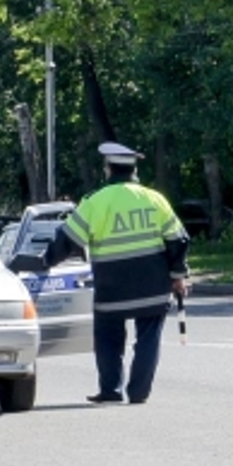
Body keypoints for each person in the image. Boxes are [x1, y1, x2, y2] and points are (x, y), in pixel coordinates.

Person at [38, 141, 190, 405]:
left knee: (108, 338)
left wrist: (44, 262)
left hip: (113, 288)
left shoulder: (95, 202)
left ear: (108, 169)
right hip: (153, 285)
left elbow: (68, 240)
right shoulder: (155, 199)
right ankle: (139, 393)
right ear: (133, 170)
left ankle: (111, 390)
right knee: (149, 339)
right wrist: (177, 275)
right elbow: (179, 239)